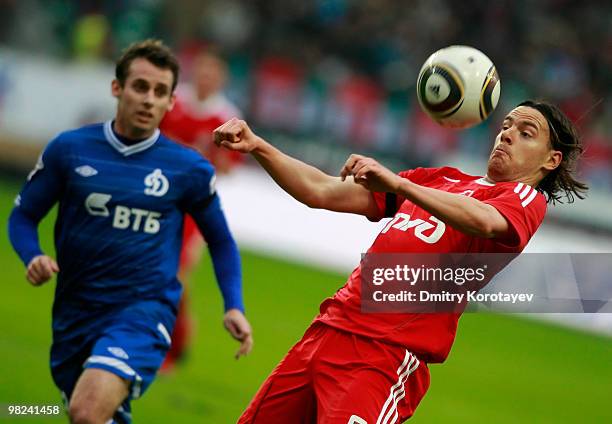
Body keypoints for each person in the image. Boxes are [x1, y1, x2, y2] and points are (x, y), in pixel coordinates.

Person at [213, 100, 587, 423]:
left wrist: (401, 185)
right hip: (325, 333)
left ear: (551, 159)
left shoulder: (524, 198)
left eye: (526, 132)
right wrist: (258, 146)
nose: (506, 135)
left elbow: (484, 221)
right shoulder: (441, 180)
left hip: (382, 359)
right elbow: (321, 190)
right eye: (505, 126)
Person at [7, 39, 252, 424]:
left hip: (142, 312)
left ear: (170, 101)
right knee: (91, 413)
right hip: (76, 310)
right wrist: (32, 254)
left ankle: (174, 348)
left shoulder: (187, 169)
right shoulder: (70, 150)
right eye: (140, 87)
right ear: (116, 88)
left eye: (159, 92)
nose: (149, 100)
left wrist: (233, 304)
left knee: (86, 411)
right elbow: (22, 217)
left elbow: (221, 239)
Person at [159, 48, 244, 371]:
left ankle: (175, 343)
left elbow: (229, 168)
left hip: (194, 206)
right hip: (157, 196)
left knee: (177, 275)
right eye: (202, 72)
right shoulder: (171, 102)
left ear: (220, 80)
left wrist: (214, 154)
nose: (206, 79)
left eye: (213, 75)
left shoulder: (225, 117)